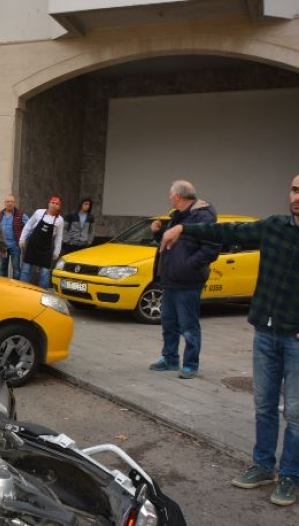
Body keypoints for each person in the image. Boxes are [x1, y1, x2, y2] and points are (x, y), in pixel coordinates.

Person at [161, 174, 299, 506]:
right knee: (264, 405)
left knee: (295, 413)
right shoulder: (274, 226)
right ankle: (263, 466)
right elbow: (225, 231)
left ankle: (291, 476)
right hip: (265, 332)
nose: (298, 196)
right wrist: (184, 227)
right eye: (295, 189)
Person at [148, 180, 219, 380]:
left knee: (189, 325)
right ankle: (170, 359)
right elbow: (171, 245)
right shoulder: (177, 216)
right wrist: (157, 233)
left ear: (178, 196)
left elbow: (212, 248)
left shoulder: (203, 216)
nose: (169, 197)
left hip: (189, 281)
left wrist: (188, 265)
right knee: (168, 323)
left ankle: (190, 365)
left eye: (171, 194)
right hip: (171, 279)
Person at [19, 196, 65, 289]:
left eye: (56, 204)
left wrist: (57, 251)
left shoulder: (60, 220)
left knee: (44, 273)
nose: (54, 205)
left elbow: (59, 237)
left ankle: (42, 293)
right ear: (49, 203)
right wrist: (22, 239)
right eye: (52, 203)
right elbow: (28, 225)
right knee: (26, 270)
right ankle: (21, 289)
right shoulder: (39, 212)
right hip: (33, 246)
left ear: (59, 207)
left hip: (45, 249)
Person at [0, 194, 29, 278]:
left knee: (16, 269)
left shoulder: (20, 214)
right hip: (3, 246)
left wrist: (24, 238)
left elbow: (29, 226)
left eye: (11, 201)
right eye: (7, 201)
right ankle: (3, 287)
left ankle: (16, 287)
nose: (9, 203)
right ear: (4, 203)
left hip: (15, 245)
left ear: (14, 203)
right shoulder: (0, 214)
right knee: (2, 268)